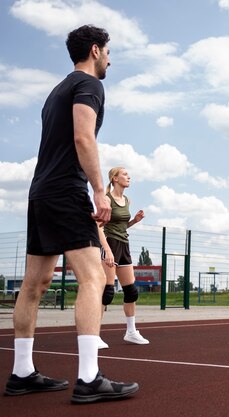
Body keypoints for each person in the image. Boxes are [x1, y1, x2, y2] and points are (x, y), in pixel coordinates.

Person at [4, 25, 139, 404]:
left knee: (35, 283)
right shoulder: (89, 85)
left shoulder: (55, 91)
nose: (110, 58)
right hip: (65, 189)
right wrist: (99, 190)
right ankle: (89, 377)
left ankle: (22, 372)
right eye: (108, 51)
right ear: (95, 51)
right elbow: (84, 137)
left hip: (40, 192)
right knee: (94, 275)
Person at [97, 167, 149, 348]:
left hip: (123, 244)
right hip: (109, 244)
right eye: (125, 174)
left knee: (131, 291)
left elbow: (121, 226)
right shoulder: (106, 199)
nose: (129, 177)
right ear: (115, 178)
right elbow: (98, 226)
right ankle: (93, 334)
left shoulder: (126, 200)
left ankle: (131, 332)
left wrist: (134, 221)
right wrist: (107, 251)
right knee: (107, 293)